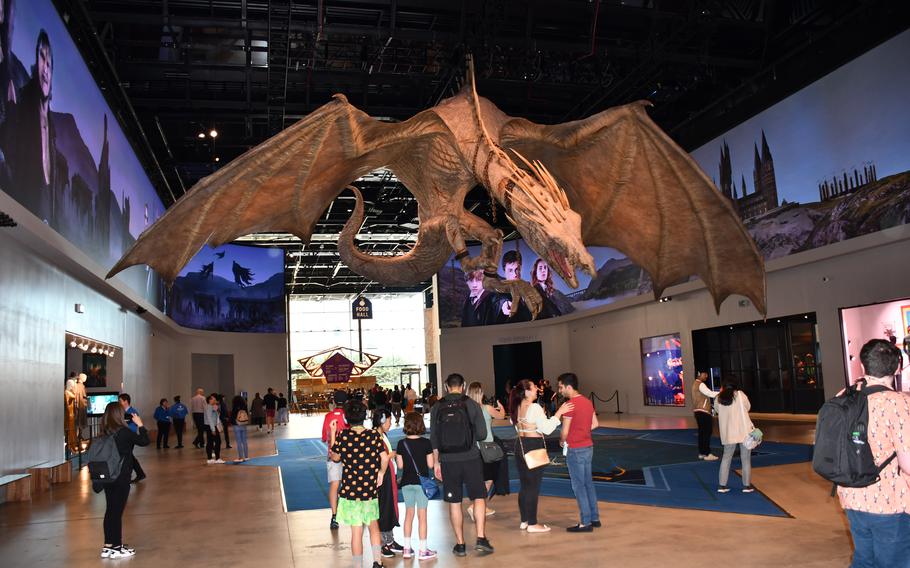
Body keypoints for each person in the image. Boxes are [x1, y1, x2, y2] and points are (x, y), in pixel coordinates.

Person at [837, 339, 910, 566]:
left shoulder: (844, 396)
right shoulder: (898, 403)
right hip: (890, 503)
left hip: (852, 495)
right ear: (898, 366)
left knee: (864, 560)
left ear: (862, 367)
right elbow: (908, 463)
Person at [430, 373, 494, 556]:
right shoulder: (472, 405)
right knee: (479, 497)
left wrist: (436, 463)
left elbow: (434, 438)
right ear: (464, 385)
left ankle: (460, 544)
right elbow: (482, 434)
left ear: (446, 386)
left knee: (454, 502)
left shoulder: (437, 407)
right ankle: (481, 538)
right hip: (471, 458)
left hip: (448, 461)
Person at [509, 378, 574, 532]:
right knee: (533, 486)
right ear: (526, 391)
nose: (537, 389)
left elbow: (517, 426)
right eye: (534, 388)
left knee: (525, 485)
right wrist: (559, 413)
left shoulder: (516, 406)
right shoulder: (534, 407)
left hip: (520, 445)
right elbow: (547, 429)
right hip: (533, 447)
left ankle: (525, 520)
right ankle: (532, 524)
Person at [330, 399, 389, 568]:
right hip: (369, 490)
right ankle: (377, 562)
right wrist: (381, 472)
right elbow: (384, 458)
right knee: (373, 526)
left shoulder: (344, 436)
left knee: (356, 532)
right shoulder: (373, 435)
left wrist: (334, 432)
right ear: (365, 417)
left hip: (350, 492)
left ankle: (358, 566)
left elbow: (335, 458)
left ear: (347, 420)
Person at [94, 401, 149, 559]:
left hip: (107, 476)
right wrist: (140, 425)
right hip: (121, 476)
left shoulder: (104, 431)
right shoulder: (124, 432)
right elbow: (144, 441)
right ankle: (117, 548)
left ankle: (108, 546)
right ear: (119, 415)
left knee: (110, 510)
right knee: (116, 512)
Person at [557, 373, 601, 532]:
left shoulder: (570, 405)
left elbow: (565, 431)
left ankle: (585, 522)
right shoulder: (588, 402)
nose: (559, 390)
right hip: (588, 447)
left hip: (575, 449)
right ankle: (594, 518)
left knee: (579, 486)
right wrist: (582, 431)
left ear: (569, 387)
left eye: (561, 387)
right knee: (588, 483)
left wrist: (562, 440)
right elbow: (595, 424)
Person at [396, 412, 437, 560]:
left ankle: (406, 549)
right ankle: (423, 550)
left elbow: (400, 466)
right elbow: (430, 464)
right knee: (422, 516)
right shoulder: (426, 443)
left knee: (409, 515)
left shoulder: (401, 443)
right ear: (421, 425)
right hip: (422, 484)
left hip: (406, 483)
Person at [465, 381, 506, 520]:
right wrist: (501, 408)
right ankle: (475, 507)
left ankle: (482, 506)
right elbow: (501, 416)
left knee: (479, 479)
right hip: (487, 448)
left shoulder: (466, 409)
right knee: (489, 480)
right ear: (480, 393)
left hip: (472, 449)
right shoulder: (487, 408)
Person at [373, 408, 403, 558]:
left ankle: (389, 540)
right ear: (382, 421)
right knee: (384, 508)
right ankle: (383, 543)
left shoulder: (382, 435)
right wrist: (393, 454)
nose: (391, 423)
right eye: (389, 420)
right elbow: (382, 457)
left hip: (388, 475)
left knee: (389, 507)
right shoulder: (374, 436)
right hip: (382, 477)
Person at [713, 381, 753, 493]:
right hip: (744, 432)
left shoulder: (719, 397)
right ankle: (747, 486)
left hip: (728, 433)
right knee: (745, 459)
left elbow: (717, 410)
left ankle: (722, 486)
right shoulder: (741, 395)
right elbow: (748, 407)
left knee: (726, 458)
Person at [322, 390, 349, 529]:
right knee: (353, 483)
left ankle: (334, 516)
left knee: (334, 485)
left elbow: (324, 437)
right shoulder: (349, 416)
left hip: (333, 455)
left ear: (334, 401)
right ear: (346, 402)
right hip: (350, 455)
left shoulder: (328, 416)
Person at [495, 250, 533, 324]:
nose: (515, 274)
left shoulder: (528, 288)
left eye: (517, 269)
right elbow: (497, 300)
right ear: (504, 271)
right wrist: (503, 304)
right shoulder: (499, 290)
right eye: (510, 270)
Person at [118, 394, 146, 484]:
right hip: (124, 437)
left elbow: (134, 427)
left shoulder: (133, 412)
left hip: (130, 438)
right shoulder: (121, 411)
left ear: (125, 401)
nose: (119, 403)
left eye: (120, 401)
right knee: (129, 456)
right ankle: (140, 473)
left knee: (129, 456)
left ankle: (138, 474)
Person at [691, 371, 719, 461]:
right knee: (707, 432)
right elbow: (710, 393)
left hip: (698, 411)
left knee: (702, 433)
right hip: (703, 412)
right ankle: (707, 453)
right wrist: (722, 392)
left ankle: (702, 453)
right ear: (699, 374)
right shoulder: (700, 384)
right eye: (704, 374)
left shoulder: (694, 384)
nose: (706, 376)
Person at [204, 393, 225, 464]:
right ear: (210, 400)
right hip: (211, 426)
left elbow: (217, 414)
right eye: (213, 399)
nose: (215, 400)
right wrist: (213, 429)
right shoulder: (209, 407)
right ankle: (217, 458)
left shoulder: (212, 406)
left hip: (211, 426)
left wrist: (216, 406)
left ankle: (209, 459)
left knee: (210, 442)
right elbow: (209, 418)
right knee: (218, 441)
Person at [230, 395, 250, 462]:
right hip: (244, 425)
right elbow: (247, 414)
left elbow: (232, 417)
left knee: (239, 442)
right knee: (244, 441)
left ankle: (241, 457)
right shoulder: (244, 406)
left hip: (236, 425)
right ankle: (246, 456)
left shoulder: (235, 407)